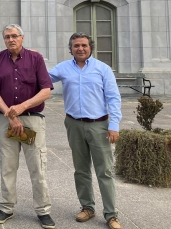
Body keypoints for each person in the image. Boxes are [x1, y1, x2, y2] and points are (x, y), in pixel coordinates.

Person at [49, 33, 123, 229]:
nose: (80, 48)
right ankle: (87, 207)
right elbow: (42, 77)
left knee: (104, 171)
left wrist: (114, 125)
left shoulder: (102, 69)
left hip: (99, 126)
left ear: (90, 47)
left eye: (83, 45)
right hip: (73, 124)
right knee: (81, 170)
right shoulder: (63, 68)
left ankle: (111, 214)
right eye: (76, 46)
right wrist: (31, 58)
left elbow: (114, 98)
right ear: (70, 48)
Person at [0, 24, 55, 229]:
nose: (11, 40)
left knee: (37, 167)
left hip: (32, 119)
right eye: (7, 37)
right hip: (7, 121)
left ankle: (43, 210)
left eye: (14, 36)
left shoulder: (36, 59)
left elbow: (46, 91)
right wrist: (11, 114)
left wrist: (21, 107)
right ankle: (7, 207)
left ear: (22, 38)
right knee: (7, 166)